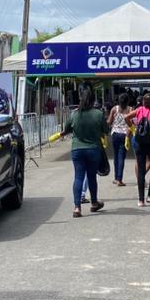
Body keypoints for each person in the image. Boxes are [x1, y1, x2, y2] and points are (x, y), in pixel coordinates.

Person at [64, 87, 108, 218]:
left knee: (78, 177)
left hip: (77, 149)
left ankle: (77, 208)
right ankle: (94, 203)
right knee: (91, 177)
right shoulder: (98, 114)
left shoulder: (74, 114)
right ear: (93, 100)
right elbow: (105, 130)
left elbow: (67, 129)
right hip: (93, 149)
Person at [131, 92, 150, 206]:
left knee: (141, 170)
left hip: (139, 142)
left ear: (143, 102)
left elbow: (126, 117)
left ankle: (140, 200)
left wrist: (132, 127)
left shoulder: (139, 110)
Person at [107, 91, 132, 186]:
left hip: (115, 134)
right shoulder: (130, 109)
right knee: (121, 156)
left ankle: (116, 178)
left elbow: (109, 121)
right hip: (125, 135)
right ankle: (119, 179)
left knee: (116, 156)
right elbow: (132, 124)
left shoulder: (114, 109)